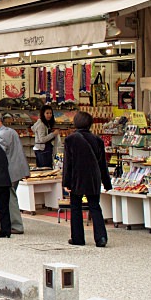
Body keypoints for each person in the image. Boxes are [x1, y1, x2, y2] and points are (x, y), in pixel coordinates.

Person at [62, 110, 112, 247]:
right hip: (93, 177)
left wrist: (66, 182)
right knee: (95, 206)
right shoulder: (98, 140)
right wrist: (107, 183)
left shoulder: (70, 139)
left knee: (76, 207)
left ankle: (78, 238)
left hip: (77, 177)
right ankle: (101, 237)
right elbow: (103, 164)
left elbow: (68, 163)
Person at [0, 111, 29, 234]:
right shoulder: (10, 131)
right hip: (16, 168)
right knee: (5, 197)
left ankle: (16, 225)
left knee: (9, 198)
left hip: (10, 170)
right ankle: (1, 222)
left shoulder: (2, 135)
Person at [32, 104, 58, 169]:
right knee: (45, 169)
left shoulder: (46, 123)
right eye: (47, 113)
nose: (49, 115)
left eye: (50, 113)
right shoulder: (41, 125)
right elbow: (42, 139)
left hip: (43, 149)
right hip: (43, 151)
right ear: (43, 114)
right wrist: (53, 134)